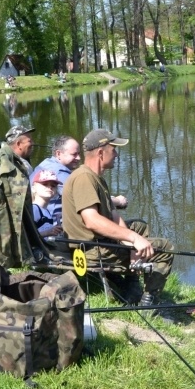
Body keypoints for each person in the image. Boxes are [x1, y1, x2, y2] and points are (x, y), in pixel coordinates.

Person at [62, 129, 174, 309]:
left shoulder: (97, 179)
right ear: (100, 153)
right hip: (89, 250)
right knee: (165, 249)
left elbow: (114, 217)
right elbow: (92, 220)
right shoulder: (83, 178)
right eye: (113, 149)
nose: (116, 154)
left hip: (100, 242)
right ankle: (149, 305)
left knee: (139, 228)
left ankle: (131, 286)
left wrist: (130, 241)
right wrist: (134, 240)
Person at [0, 126, 39, 269]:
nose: (33, 143)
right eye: (29, 140)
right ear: (18, 144)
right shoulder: (3, 161)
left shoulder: (13, 159)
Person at [31, 135, 126, 223]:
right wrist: (117, 201)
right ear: (58, 154)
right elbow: (87, 199)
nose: (79, 158)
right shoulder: (60, 174)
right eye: (74, 154)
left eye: (79, 154)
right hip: (55, 225)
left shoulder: (45, 164)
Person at [31, 169, 63, 238]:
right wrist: (47, 232)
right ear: (33, 188)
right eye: (45, 184)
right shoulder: (34, 209)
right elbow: (27, 236)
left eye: (53, 185)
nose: (50, 187)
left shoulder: (46, 211)